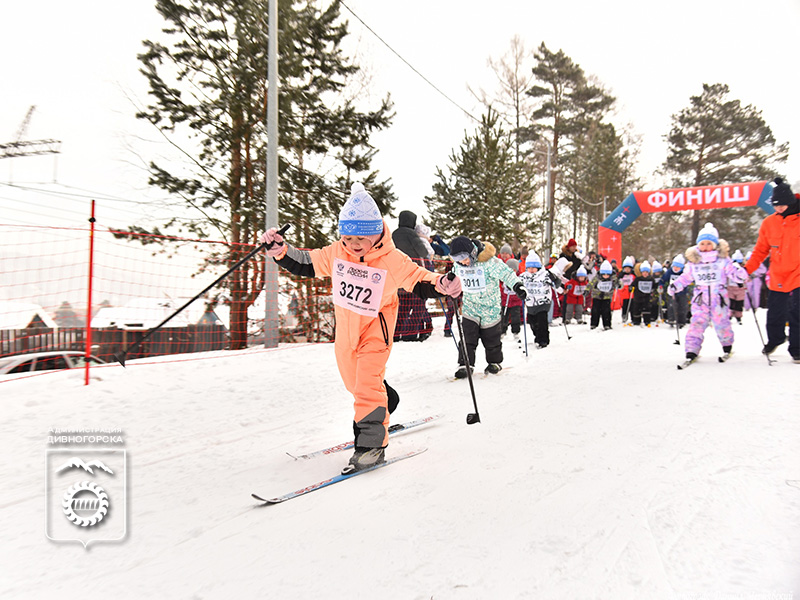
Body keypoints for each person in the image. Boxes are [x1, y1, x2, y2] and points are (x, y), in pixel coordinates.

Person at [260, 183, 462, 473]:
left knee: (366, 384)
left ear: (377, 233)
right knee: (354, 384)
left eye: (362, 237)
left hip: (375, 332)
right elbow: (307, 262)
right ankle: (386, 399)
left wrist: (442, 284)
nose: (354, 243)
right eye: (349, 236)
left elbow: (419, 278)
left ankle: (370, 446)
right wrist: (281, 250)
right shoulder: (337, 252)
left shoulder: (391, 259)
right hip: (345, 335)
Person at [449, 235, 526, 377]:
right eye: (457, 260)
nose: (462, 263)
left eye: (464, 259)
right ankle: (465, 364)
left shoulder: (490, 262)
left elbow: (506, 274)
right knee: (467, 337)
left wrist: (517, 286)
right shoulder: (459, 265)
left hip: (490, 308)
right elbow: (453, 277)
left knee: (491, 339)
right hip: (470, 307)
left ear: (472, 253)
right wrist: (448, 284)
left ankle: (494, 362)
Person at [668, 222, 747, 362]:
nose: (705, 247)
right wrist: (675, 286)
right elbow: (686, 277)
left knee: (721, 323)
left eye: (708, 243)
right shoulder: (694, 262)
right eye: (702, 243)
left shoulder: (722, 260)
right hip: (700, 298)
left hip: (719, 299)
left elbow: (733, 274)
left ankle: (727, 346)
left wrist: (740, 274)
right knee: (697, 323)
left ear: (715, 245)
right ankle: (692, 350)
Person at [743, 177, 800, 362]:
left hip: (798, 273)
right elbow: (761, 250)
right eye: (776, 205)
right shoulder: (769, 223)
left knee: (797, 312)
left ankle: (797, 348)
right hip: (778, 274)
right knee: (774, 312)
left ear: (791, 201)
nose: (779, 208)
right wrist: (747, 269)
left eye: (782, 205)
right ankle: (776, 339)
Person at [392, 210, 433, 342]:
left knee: (402, 307)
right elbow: (423, 251)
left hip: (397, 277)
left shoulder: (393, 235)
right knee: (418, 305)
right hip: (414, 275)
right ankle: (410, 334)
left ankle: (396, 334)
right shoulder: (411, 234)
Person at [520, 252, 563, 348]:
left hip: (543, 302)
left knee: (541, 321)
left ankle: (543, 339)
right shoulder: (524, 276)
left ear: (538, 267)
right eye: (529, 268)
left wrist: (555, 279)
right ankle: (537, 336)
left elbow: (557, 284)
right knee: (532, 322)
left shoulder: (545, 275)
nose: (531, 270)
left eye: (533, 268)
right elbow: (516, 284)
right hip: (530, 303)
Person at [587, 260, 617, 330]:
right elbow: (591, 284)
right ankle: (594, 324)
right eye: (604, 274)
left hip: (606, 297)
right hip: (596, 296)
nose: (605, 276)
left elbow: (619, 284)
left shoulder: (613, 279)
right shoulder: (597, 278)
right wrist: (587, 290)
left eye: (607, 275)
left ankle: (607, 324)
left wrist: (618, 284)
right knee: (595, 311)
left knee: (606, 311)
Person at [500, 258, 523, 343]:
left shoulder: (519, 277)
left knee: (515, 317)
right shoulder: (503, 276)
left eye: (513, 269)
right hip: (505, 300)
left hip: (515, 301)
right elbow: (500, 286)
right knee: (504, 316)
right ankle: (502, 330)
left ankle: (516, 331)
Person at [662, 253, 688, 329]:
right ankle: (671, 319)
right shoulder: (670, 272)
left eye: (678, 267)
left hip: (682, 292)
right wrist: (661, 284)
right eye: (675, 267)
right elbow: (664, 279)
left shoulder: (684, 273)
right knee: (671, 305)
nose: (676, 269)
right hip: (672, 292)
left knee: (682, 307)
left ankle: (681, 321)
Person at [630, 260, 656, 327]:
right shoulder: (638, 279)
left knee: (646, 309)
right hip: (638, 297)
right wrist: (631, 288)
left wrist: (655, 288)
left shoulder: (651, 279)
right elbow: (633, 284)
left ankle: (647, 321)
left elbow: (654, 286)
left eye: (646, 272)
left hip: (647, 297)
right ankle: (636, 321)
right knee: (636, 309)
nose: (645, 274)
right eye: (643, 272)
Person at [727, 250, 747, 324]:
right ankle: (729, 315)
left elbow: (746, 278)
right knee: (731, 303)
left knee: (739, 304)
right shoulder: (730, 269)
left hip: (740, 289)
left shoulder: (742, 270)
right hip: (730, 288)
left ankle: (738, 317)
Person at [618, 256, 636, 323]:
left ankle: (633, 318)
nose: (627, 270)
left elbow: (635, 281)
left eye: (629, 268)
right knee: (624, 306)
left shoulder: (633, 274)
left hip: (631, 293)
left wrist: (633, 286)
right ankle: (624, 317)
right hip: (624, 293)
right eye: (626, 268)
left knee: (632, 306)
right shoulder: (622, 275)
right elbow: (619, 281)